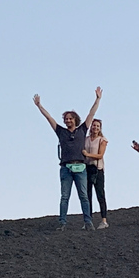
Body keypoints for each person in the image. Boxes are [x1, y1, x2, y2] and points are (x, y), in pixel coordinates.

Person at [34, 87, 102, 231]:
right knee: (65, 196)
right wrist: (40, 106)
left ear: (75, 119)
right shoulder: (61, 132)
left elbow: (92, 113)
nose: (67, 120)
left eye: (70, 118)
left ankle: (88, 222)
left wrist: (97, 99)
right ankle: (62, 223)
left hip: (80, 167)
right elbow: (49, 118)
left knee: (84, 196)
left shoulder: (82, 130)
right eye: (66, 118)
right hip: (65, 167)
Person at [82, 119, 109, 229]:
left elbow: (100, 155)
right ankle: (89, 221)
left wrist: (87, 154)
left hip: (98, 169)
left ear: (100, 128)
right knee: (87, 195)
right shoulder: (86, 139)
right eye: (94, 125)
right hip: (87, 168)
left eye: (97, 126)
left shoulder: (102, 140)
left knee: (100, 194)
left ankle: (104, 220)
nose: (95, 128)